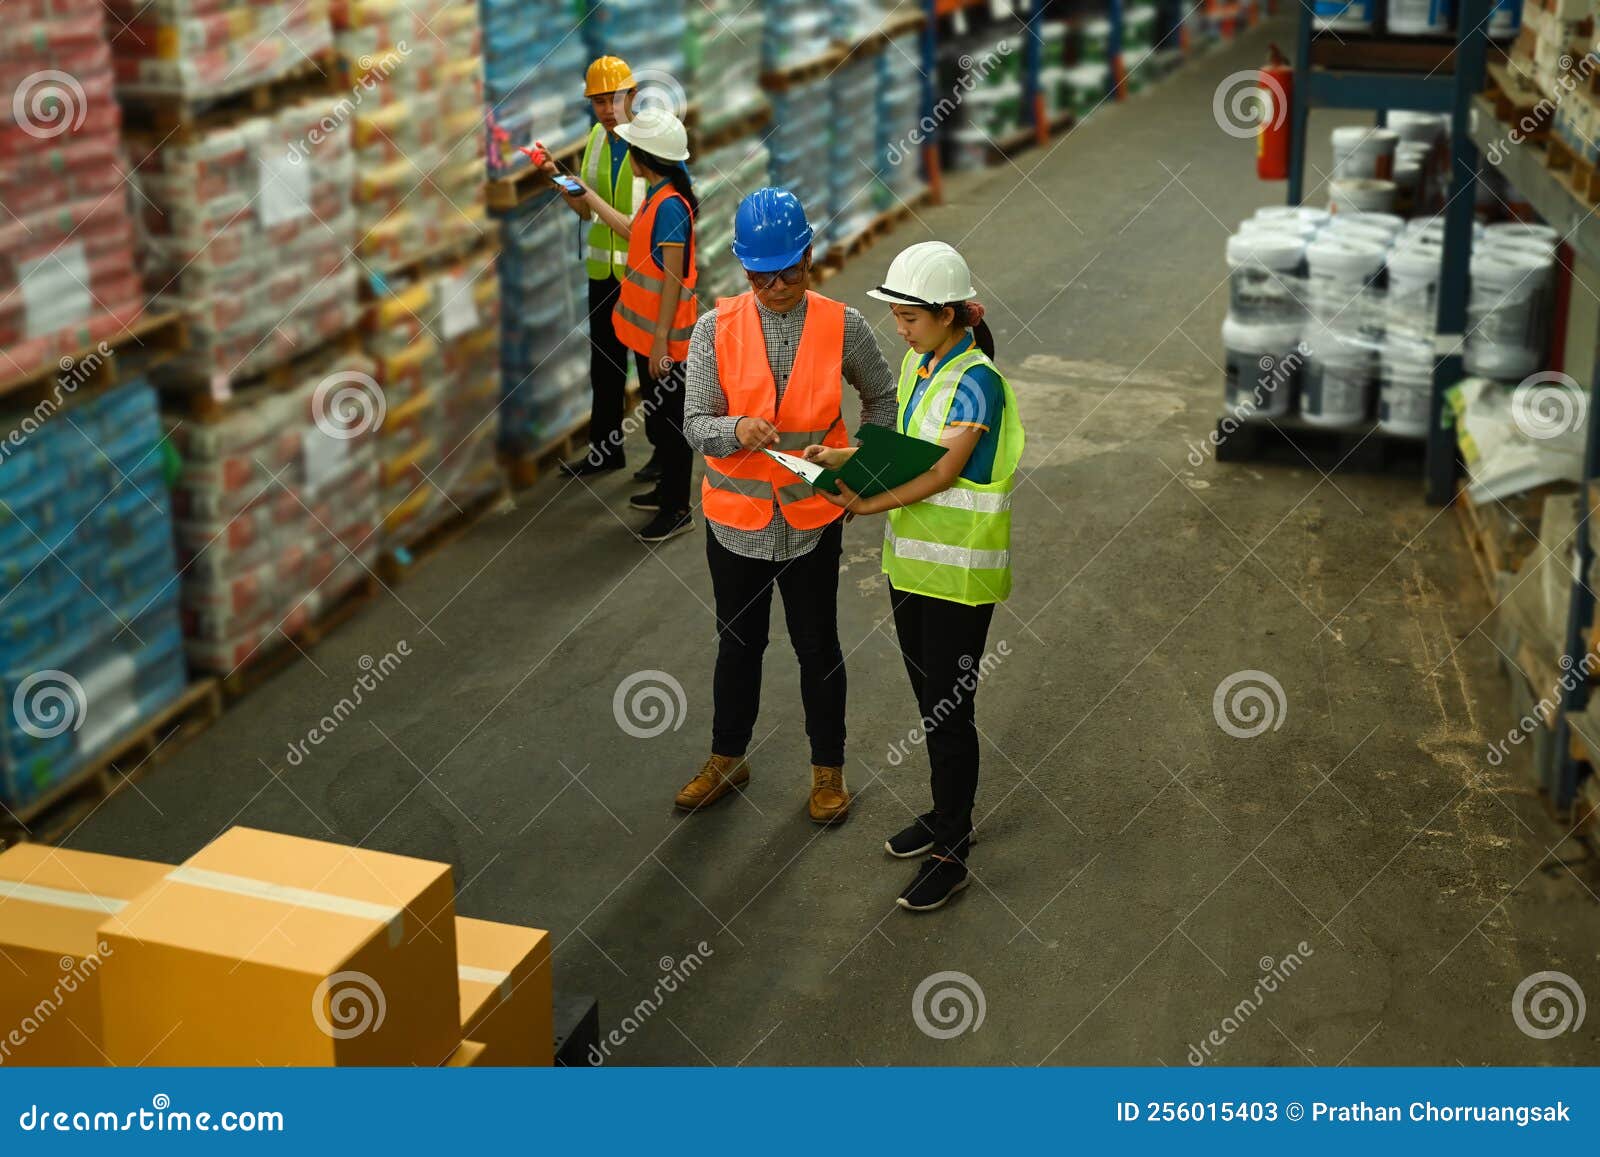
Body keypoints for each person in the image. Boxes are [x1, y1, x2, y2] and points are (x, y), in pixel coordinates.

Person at [805, 241, 1024, 912]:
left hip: (959, 577)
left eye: (910, 318)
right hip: (913, 566)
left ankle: (952, 850)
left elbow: (940, 472)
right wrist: (840, 456)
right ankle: (944, 810)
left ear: (950, 313)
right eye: (896, 317)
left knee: (950, 711)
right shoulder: (921, 362)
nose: (899, 329)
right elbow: (903, 451)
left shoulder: (976, 381)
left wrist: (864, 503)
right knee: (930, 703)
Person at [675, 188, 898, 822]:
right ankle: (728, 756)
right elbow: (695, 423)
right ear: (744, 269)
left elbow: (882, 400)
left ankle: (828, 769)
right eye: (762, 275)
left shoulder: (842, 325)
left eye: (790, 272)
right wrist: (734, 429)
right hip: (736, 523)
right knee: (738, 645)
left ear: (808, 258)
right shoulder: (713, 330)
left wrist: (862, 477)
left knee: (817, 647)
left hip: (811, 521)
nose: (777, 285)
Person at [576, 107, 698, 542]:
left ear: (642, 157)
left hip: (664, 340)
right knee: (660, 415)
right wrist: (585, 194)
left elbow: (673, 277)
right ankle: (667, 491)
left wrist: (663, 340)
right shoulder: (658, 196)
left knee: (671, 422)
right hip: (649, 336)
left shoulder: (669, 207)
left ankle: (678, 508)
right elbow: (630, 228)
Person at [542, 55, 660, 482]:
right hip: (603, 277)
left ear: (632, 95)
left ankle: (664, 458)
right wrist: (556, 175)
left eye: (614, 99)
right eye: (598, 101)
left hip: (641, 277)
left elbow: (638, 228)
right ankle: (605, 451)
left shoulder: (648, 144)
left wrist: (588, 196)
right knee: (605, 368)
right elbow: (584, 212)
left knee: (651, 375)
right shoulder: (596, 139)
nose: (608, 109)